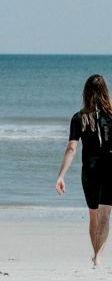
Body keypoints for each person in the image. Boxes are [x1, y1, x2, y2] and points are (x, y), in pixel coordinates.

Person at [56, 74, 112, 267]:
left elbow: (71, 148)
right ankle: (98, 257)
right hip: (110, 168)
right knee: (106, 214)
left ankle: (95, 254)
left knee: (93, 214)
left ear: (86, 92)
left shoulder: (79, 117)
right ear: (106, 91)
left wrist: (61, 175)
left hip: (90, 170)